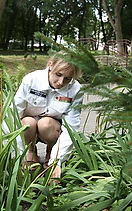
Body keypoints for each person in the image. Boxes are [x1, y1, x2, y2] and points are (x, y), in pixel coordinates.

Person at [14, 51, 83, 180]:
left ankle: (50, 155)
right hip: (29, 127)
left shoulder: (76, 90)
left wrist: (57, 159)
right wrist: (17, 153)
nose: (61, 82)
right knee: (27, 123)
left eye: (68, 78)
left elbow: (71, 127)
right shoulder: (31, 80)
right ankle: (30, 153)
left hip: (52, 129)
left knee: (45, 124)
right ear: (51, 65)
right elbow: (13, 114)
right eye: (59, 75)